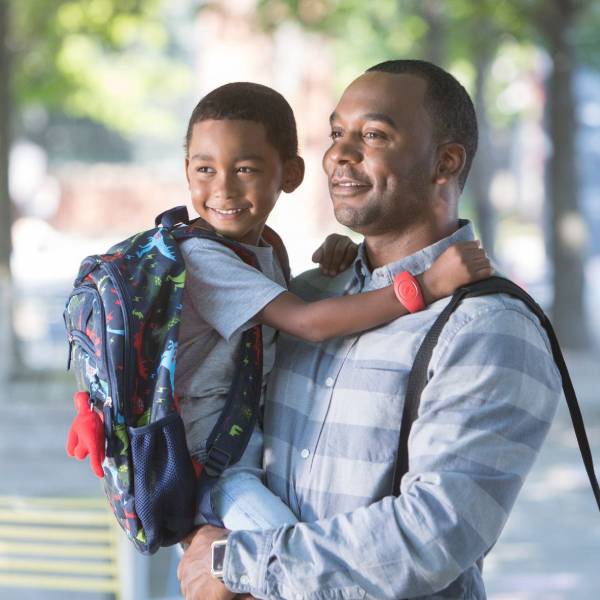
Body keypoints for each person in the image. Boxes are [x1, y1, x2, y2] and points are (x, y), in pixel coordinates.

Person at [177, 61, 562, 600]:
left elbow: (428, 539)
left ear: (445, 162)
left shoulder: (488, 328)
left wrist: (233, 563)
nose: (338, 153)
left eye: (374, 134)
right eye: (337, 133)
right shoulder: (310, 292)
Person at [67, 82, 492, 536]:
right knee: (288, 551)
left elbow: (279, 321)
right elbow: (306, 324)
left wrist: (341, 260)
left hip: (245, 450)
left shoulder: (260, 247)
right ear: (186, 170)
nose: (223, 189)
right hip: (215, 468)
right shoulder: (204, 258)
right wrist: (424, 286)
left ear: (290, 174)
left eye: (245, 168)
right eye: (204, 169)